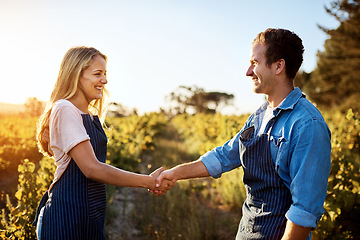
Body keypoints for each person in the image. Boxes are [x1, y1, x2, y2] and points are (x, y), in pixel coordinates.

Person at [155, 28, 331, 240]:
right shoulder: (258, 117)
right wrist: (175, 173)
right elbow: (224, 156)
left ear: (278, 66)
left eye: (254, 63)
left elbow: (304, 210)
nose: (248, 71)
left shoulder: (307, 124)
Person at [33, 46, 173, 240]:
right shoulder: (65, 109)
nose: (105, 80)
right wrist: (148, 181)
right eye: (98, 74)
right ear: (76, 75)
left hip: (90, 215)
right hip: (65, 217)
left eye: (105, 74)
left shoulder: (89, 116)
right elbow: (92, 169)